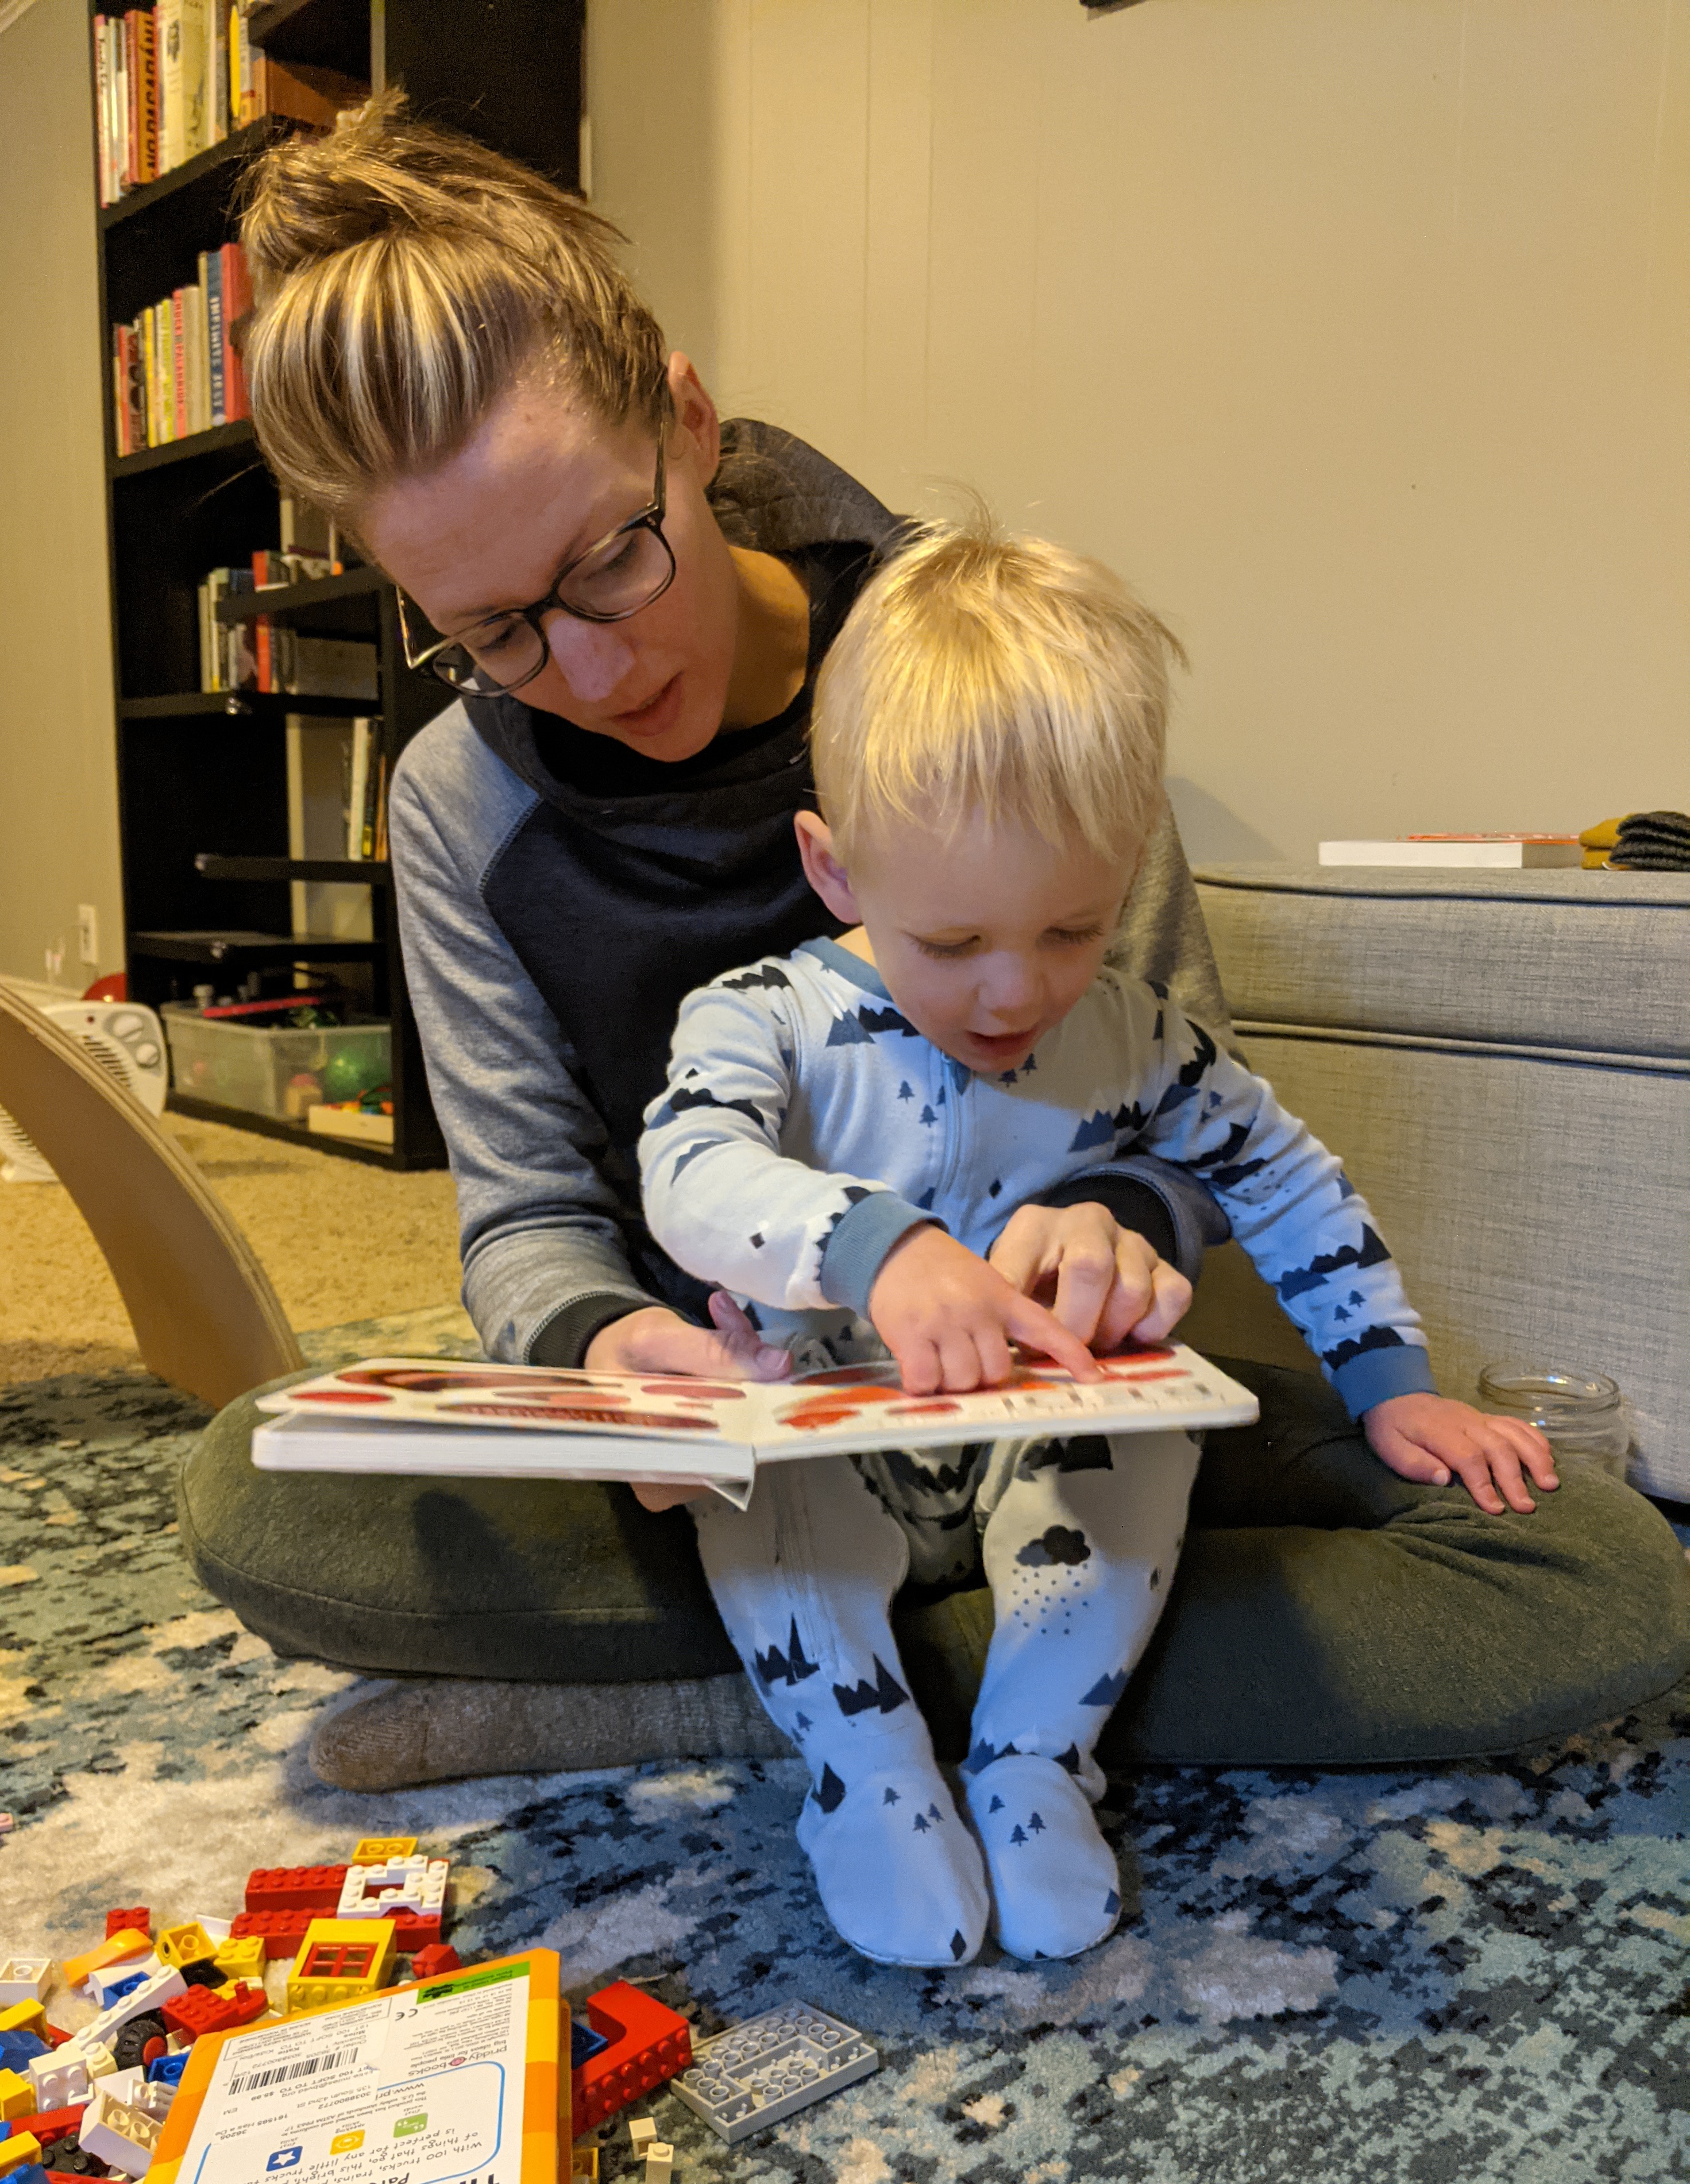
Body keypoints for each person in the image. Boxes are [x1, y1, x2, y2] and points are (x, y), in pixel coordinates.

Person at [182, 95, 1689, 1796]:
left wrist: (1118, 1229)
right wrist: (608, 1351)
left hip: (1071, 1414)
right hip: (749, 1442)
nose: (589, 669)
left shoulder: (993, 672)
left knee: (1595, 1565)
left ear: (689, 420)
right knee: (258, 1490)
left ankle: (773, 1692)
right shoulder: (462, 804)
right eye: (492, 631)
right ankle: (995, 1668)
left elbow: (1180, 1095)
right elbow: (529, 1216)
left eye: (608, 559)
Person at [635, 516, 1556, 1967]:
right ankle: (867, 1768)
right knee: (746, 1480)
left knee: (1158, 1427)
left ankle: (1032, 1758)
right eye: (954, 944)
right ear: (834, 868)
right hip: (835, 1452)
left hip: (1041, 1467)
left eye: (1073, 930)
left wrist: (1392, 1384)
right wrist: (875, 1247)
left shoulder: (1137, 1035)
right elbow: (686, 1169)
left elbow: (1287, 1178)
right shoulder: (763, 1015)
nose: (1016, 994)